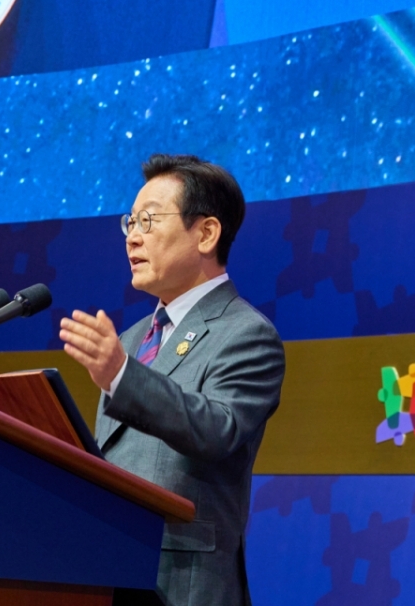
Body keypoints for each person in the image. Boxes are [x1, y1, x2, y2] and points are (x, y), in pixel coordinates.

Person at [59, 154, 286, 606]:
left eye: (148, 220)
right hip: (109, 574)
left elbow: (216, 429)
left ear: (206, 233)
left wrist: (122, 375)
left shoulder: (247, 334)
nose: (132, 237)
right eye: (130, 222)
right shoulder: (131, 339)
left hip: (183, 587)